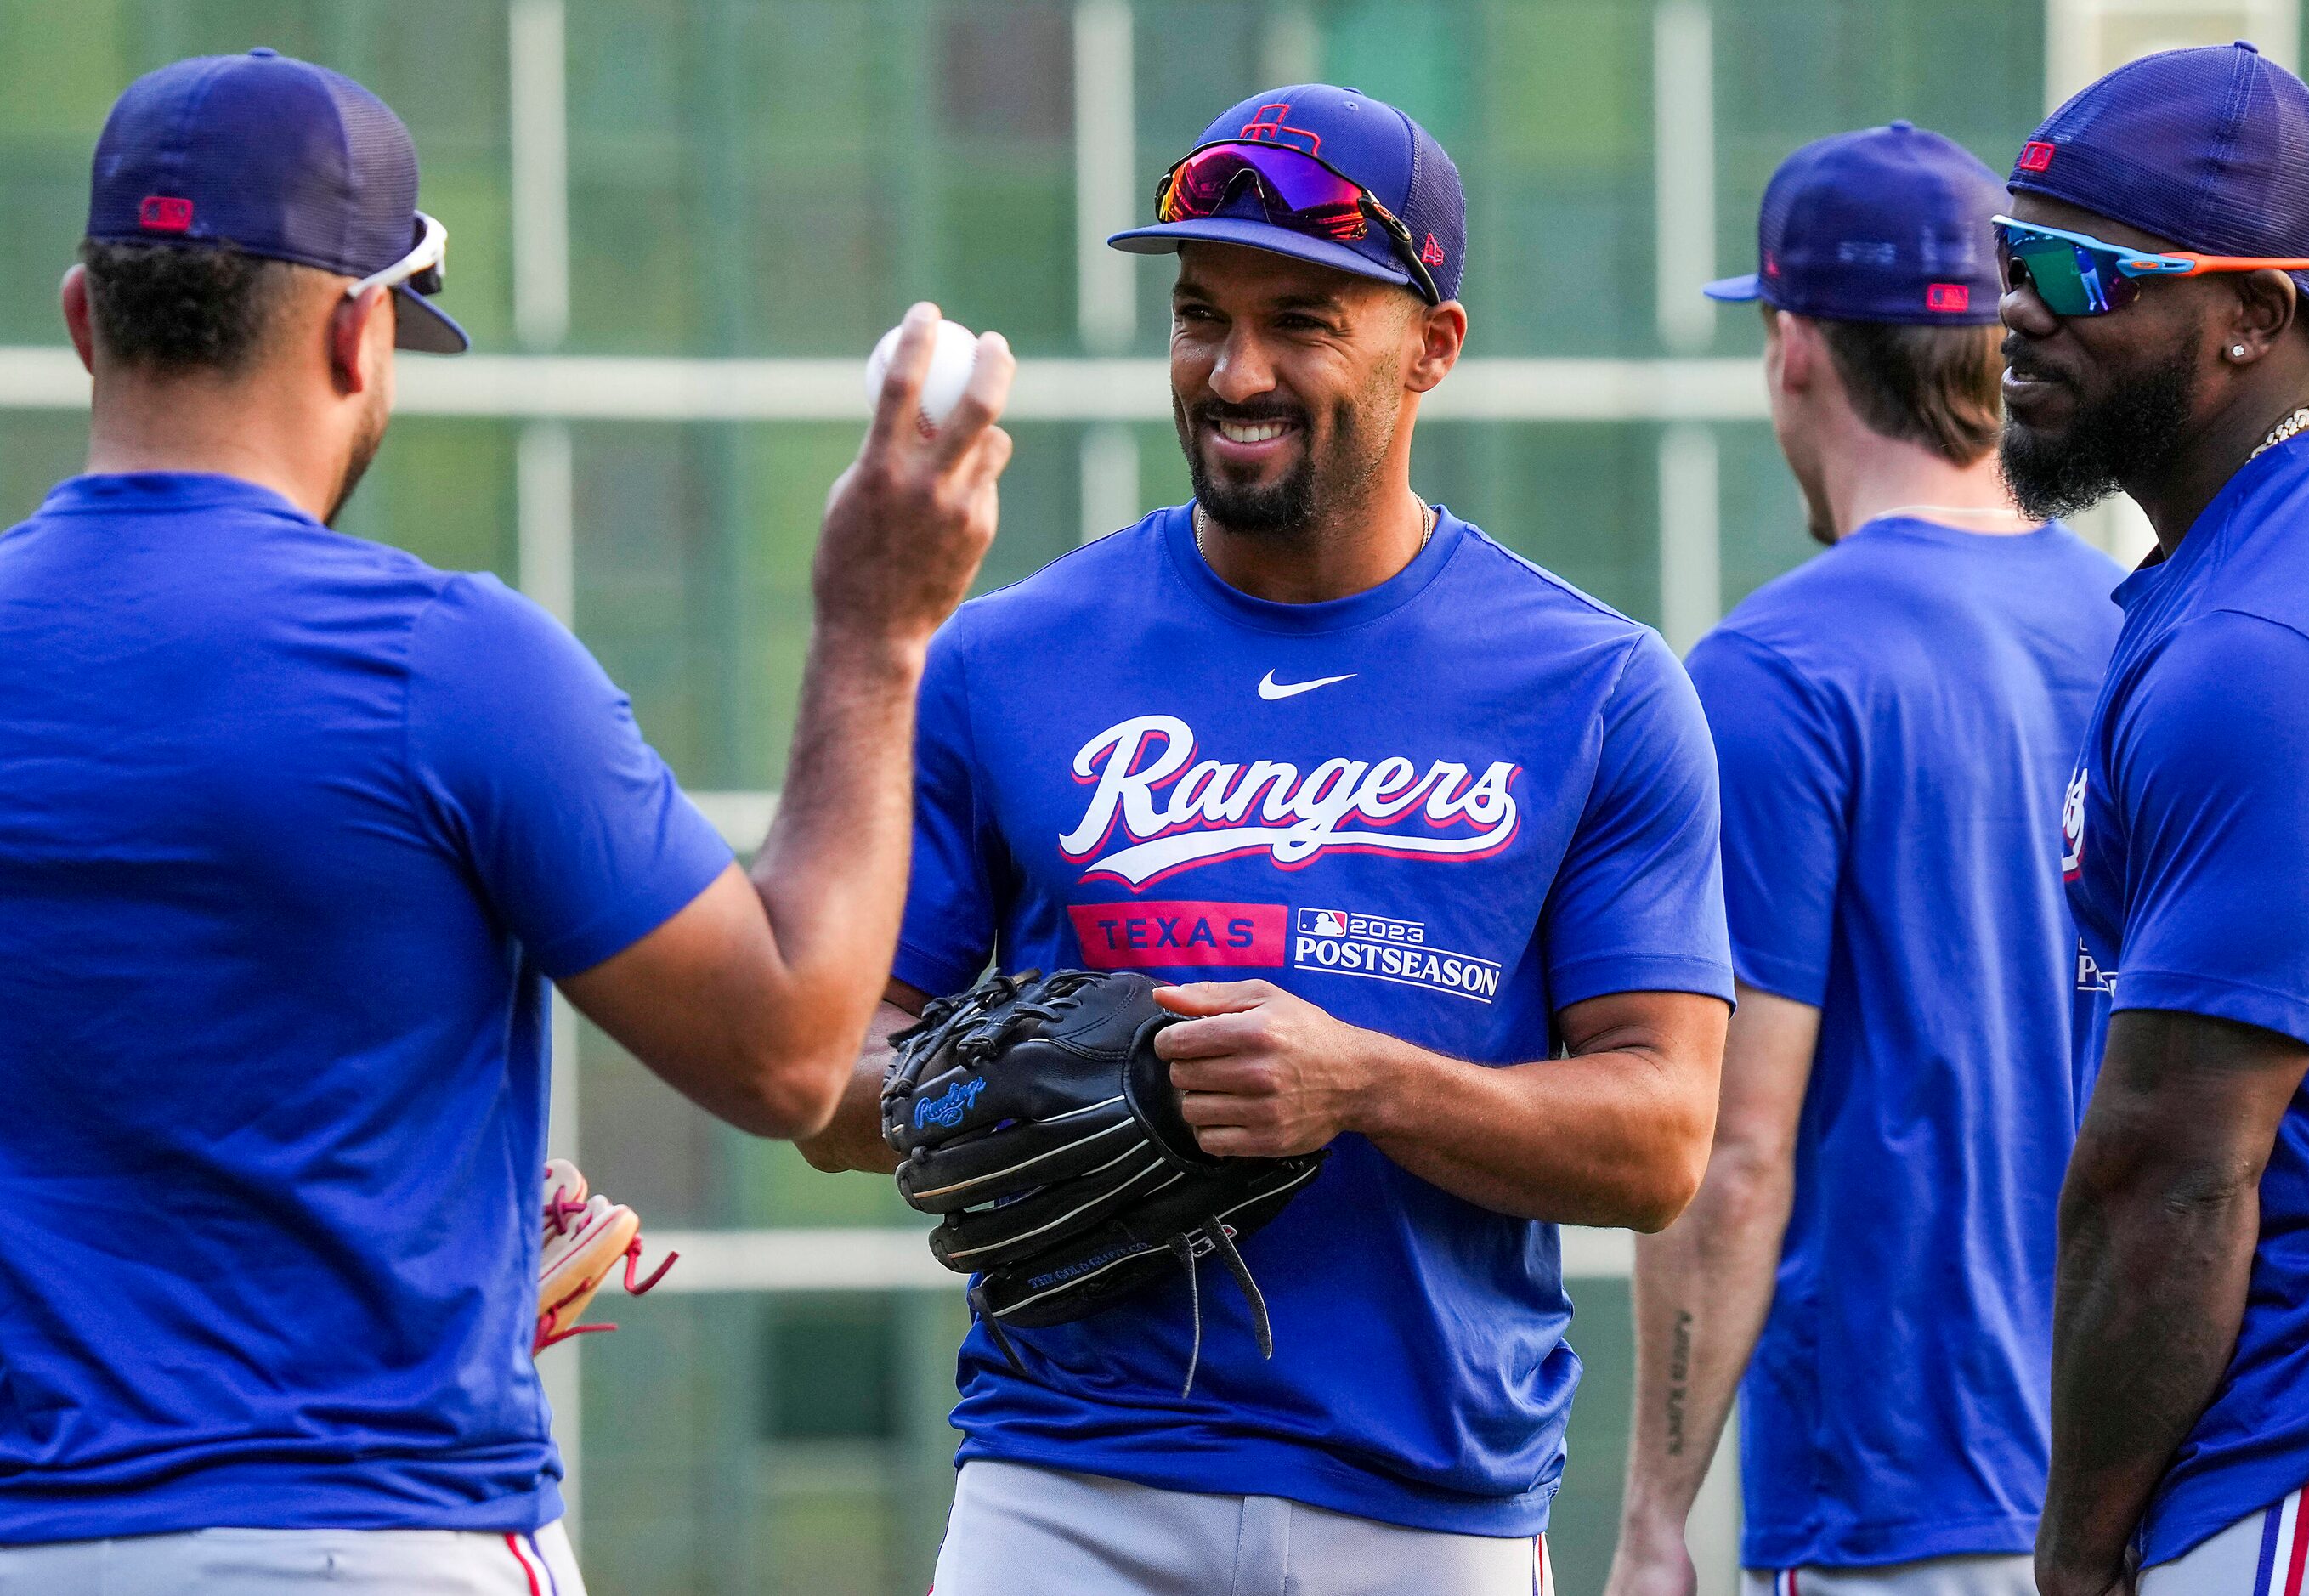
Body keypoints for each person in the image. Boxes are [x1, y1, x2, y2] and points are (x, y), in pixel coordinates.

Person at [0, 51, 1013, 1593]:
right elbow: (795, 1052)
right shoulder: (450, 665)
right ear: (358, 334)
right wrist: (875, 630)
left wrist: (433, 1247)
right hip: (372, 1530)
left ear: (85, 318)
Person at [797, 84, 1732, 1594]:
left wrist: (1361, 1082)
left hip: (1427, 1506)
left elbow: (1660, 1139)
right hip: (1069, 1483)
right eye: (1197, 315)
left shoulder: (1598, 688)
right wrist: (1007, 1082)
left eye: (1301, 317)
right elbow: (826, 1085)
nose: (1234, 371)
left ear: (1432, 346)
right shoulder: (1002, 660)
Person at [1602, 124, 2125, 1596]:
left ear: (1793, 351)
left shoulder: (1776, 668)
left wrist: (1653, 1516)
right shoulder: (2142, 632)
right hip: (2142, 1492)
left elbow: (1733, 1146)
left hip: (1897, 1504)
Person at [1993, 43, 2309, 1596]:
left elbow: (2176, 1167)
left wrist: (2078, 1551)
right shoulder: (2277, 560)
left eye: (2075, 268)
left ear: (2249, 318)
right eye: (2003, 253)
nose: (2015, 306)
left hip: (2307, 1436)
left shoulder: (2267, 652)